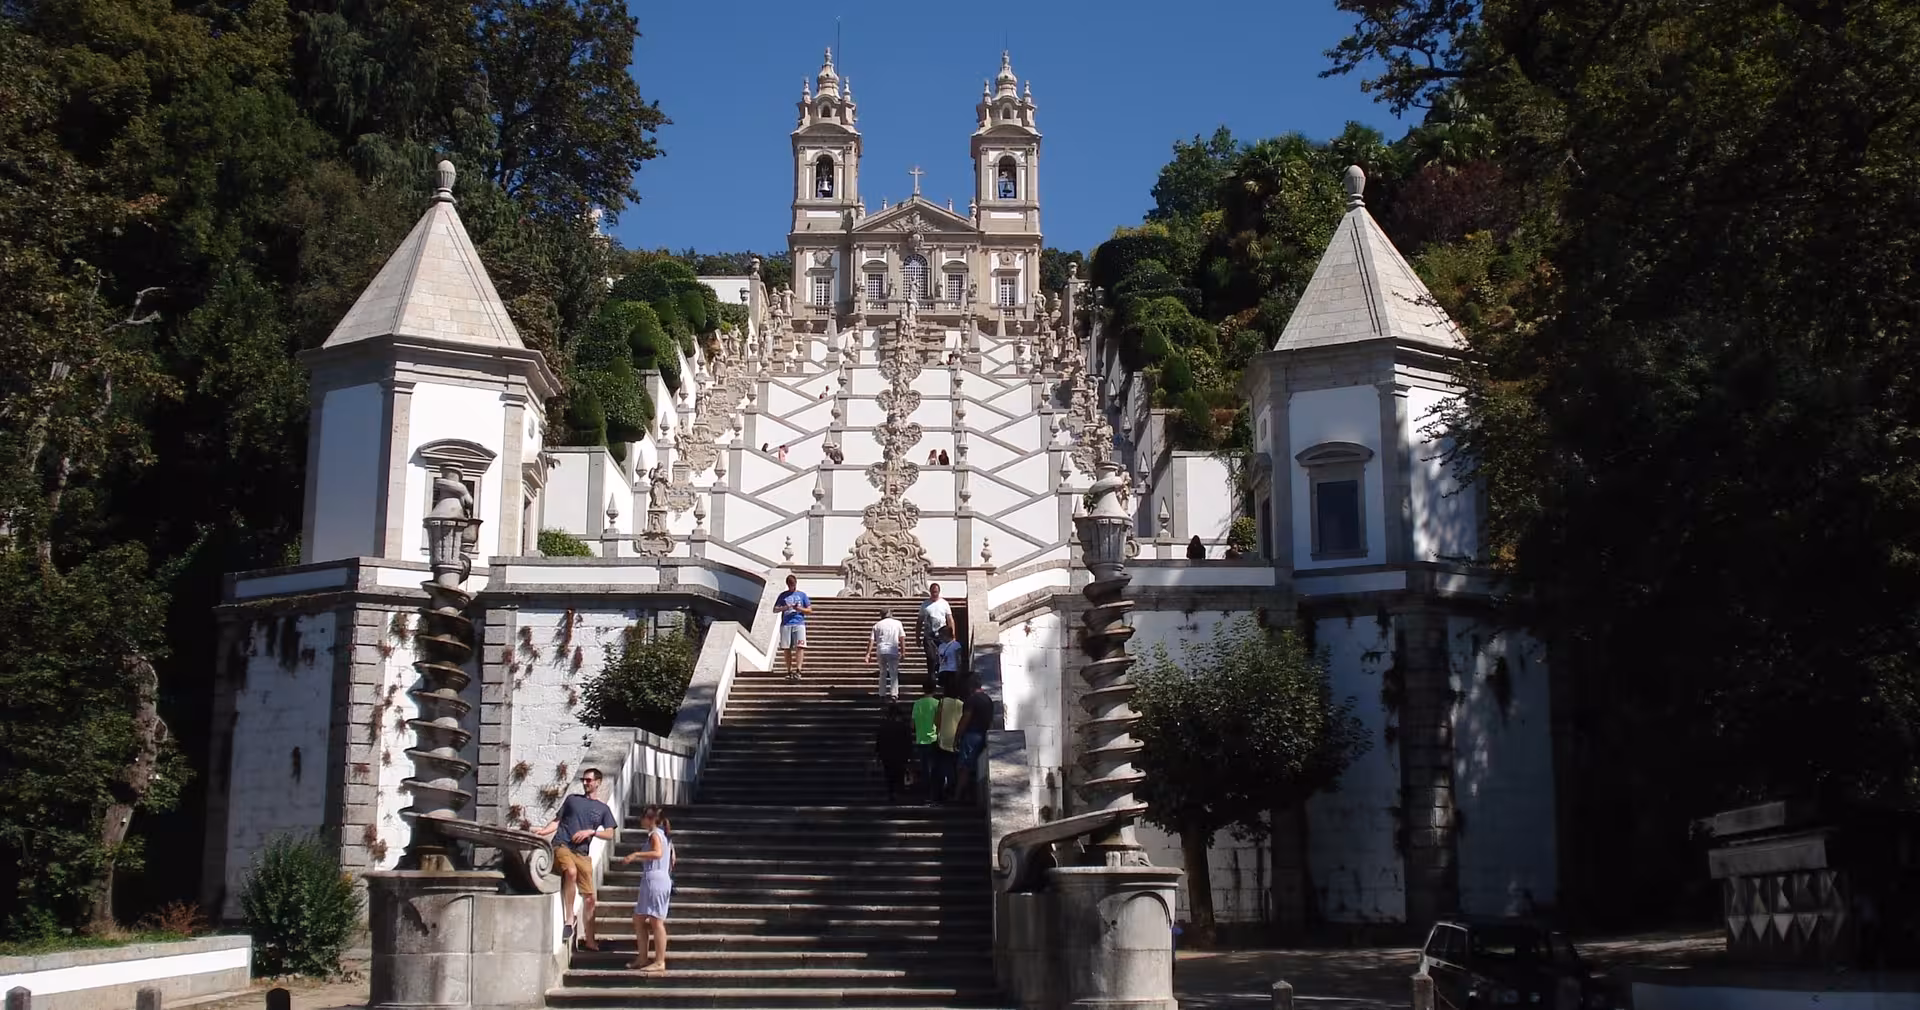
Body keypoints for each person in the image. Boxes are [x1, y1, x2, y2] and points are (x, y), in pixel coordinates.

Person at [533, 767, 617, 948]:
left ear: (598, 782)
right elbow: (557, 822)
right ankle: (569, 919)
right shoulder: (572, 800)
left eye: (589, 780)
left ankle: (590, 939)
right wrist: (543, 832)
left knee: (590, 898)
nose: (585, 783)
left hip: (582, 854)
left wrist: (591, 832)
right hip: (562, 845)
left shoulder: (603, 809)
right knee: (570, 872)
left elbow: (610, 833)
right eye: (583, 780)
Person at [617, 804, 675, 972]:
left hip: (655, 880)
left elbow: (658, 853)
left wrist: (636, 855)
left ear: (650, 819)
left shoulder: (656, 835)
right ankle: (642, 957)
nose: (641, 821)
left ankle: (659, 961)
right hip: (654, 879)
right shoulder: (664, 836)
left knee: (656, 921)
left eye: (643, 817)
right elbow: (672, 859)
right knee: (639, 918)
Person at [954, 677, 994, 803]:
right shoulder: (988, 699)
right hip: (983, 734)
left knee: (964, 767)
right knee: (976, 768)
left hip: (971, 735)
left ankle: (958, 796)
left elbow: (965, 719)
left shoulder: (971, 700)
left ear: (970, 687)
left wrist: (957, 736)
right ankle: (971, 795)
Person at [934, 665, 966, 802]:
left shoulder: (942, 702)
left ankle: (944, 789)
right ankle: (953, 789)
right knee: (955, 765)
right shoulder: (961, 704)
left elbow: (937, 720)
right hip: (956, 738)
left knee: (944, 766)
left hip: (943, 739)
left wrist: (939, 730)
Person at [874, 702, 914, 804]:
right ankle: (898, 793)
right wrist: (909, 756)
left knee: (889, 775)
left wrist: (878, 756)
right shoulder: (903, 727)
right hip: (900, 756)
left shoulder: (883, 727)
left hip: (886, 756)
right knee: (899, 774)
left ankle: (891, 793)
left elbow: (879, 742)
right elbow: (908, 743)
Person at [773, 574, 810, 680]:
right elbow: (775, 609)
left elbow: (809, 610)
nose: (792, 587)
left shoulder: (802, 595)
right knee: (787, 648)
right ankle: (789, 670)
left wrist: (800, 609)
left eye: (793, 585)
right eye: (790, 585)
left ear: (796, 584)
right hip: (786, 624)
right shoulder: (783, 595)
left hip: (799, 623)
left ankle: (798, 670)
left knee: (800, 646)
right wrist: (785, 607)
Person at [911, 679, 942, 803]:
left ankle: (926, 795)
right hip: (934, 740)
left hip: (920, 740)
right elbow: (939, 722)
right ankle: (935, 795)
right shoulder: (937, 703)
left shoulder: (917, 704)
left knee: (924, 769)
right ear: (934, 689)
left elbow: (912, 725)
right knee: (935, 768)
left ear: (923, 689)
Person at [865, 607, 905, 698]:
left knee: (882, 672)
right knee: (893, 673)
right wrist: (903, 651)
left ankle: (882, 694)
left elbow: (871, 640)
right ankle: (894, 694)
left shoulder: (877, 625)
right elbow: (902, 638)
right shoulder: (898, 623)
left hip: (881, 650)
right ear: (890, 614)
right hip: (893, 650)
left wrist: (868, 654)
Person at [918, 584, 954, 681]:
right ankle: (931, 677)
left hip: (942, 636)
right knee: (931, 657)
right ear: (930, 592)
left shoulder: (944, 604)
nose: (934, 594)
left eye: (936, 592)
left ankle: (942, 676)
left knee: (942, 656)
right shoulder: (925, 604)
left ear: (939, 592)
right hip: (929, 635)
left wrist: (952, 635)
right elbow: (919, 621)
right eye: (933, 592)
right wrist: (917, 636)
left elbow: (950, 619)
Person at [936, 626, 964, 696]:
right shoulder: (941, 646)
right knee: (945, 690)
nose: (940, 638)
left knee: (951, 689)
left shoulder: (956, 645)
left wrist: (959, 670)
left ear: (946, 635)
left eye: (941, 636)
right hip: (943, 670)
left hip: (952, 670)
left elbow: (958, 658)